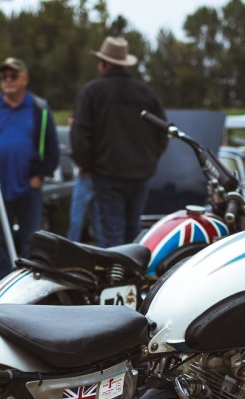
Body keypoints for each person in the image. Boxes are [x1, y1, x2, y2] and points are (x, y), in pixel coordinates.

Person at [70, 37, 167, 248]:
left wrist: (87, 165)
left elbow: (79, 135)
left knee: (110, 234)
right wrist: (149, 161)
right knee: (133, 230)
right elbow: (163, 132)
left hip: (106, 175)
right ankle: (133, 276)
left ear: (103, 63)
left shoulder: (92, 92)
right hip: (139, 175)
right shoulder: (146, 94)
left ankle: (116, 278)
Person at [0, 57, 60, 280]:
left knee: (30, 241)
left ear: (25, 79)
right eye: (4, 76)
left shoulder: (39, 109)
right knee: (1, 241)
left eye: (13, 76)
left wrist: (40, 176)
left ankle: (27, 288)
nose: (8, 80)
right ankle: (1, 288)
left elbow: (52, 148)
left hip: (29, 185)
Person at [65, 115, 93, 242]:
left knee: (76, 217)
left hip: (86, 177)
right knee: (96, 218)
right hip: (91, 177)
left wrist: (83, 165)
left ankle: (72, 244)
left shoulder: (80, 136)